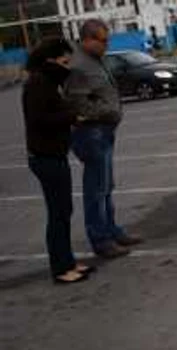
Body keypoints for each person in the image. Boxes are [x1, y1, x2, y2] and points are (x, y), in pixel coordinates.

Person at [65, 19, 143, 258]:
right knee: (96, 189)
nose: (107, 45)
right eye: (103, 41)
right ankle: (100, 239)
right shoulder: (78, 65)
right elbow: (78, 103)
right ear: (87, 39)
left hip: (105, 131)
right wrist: (106, 112)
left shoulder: (95, 60)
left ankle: (111, 230)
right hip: (91, 132)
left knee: (107, 186)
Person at [21, 38, 95, 283]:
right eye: (64, 59)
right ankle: (61, 269)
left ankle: (68, 261)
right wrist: (72, 116)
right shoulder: (38, 83)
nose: (68, 65)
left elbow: (52, 113)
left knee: (63, 210)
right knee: (58, 212)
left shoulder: (47, 82)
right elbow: (39, 119)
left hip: (52, 155)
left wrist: (70, 116)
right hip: (46, 158)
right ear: (50, 59)